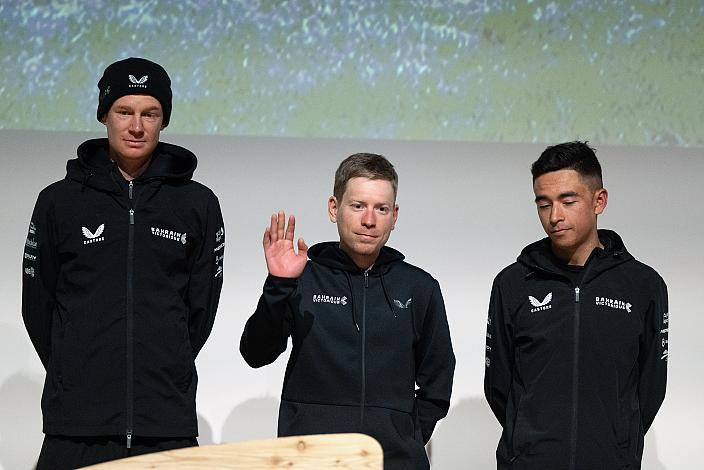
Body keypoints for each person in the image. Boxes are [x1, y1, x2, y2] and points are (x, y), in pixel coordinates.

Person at [22, 57, 225, 469]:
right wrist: (75, 366)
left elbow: (199, 312)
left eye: (150, 114)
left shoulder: (198, 204)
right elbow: (37, 306)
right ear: (104, 115)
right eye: (124, 112)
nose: (137, 126)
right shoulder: (58, 201)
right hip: (75, 427)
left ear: (164, 120)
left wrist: (165, 360)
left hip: (165, 424)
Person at [240, 153, 455, 469]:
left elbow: (438, 379)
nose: (369, 220)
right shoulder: (302, 279)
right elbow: (256, 354)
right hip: (310, 460)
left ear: (394, 216)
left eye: (381, 208)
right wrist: (278, 285)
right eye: (358, 206)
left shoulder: (419, 288)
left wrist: (405, 435)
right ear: (333, 208)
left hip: (393, 461)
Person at [484, 141, 668, 469]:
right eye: (544, 204)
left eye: (568, 201)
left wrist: (618, 446)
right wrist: (526, 443)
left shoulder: (644, 286)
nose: (555, 216)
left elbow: (650, 388)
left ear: (600, 200)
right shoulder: (511, 284)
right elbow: (499, 386)